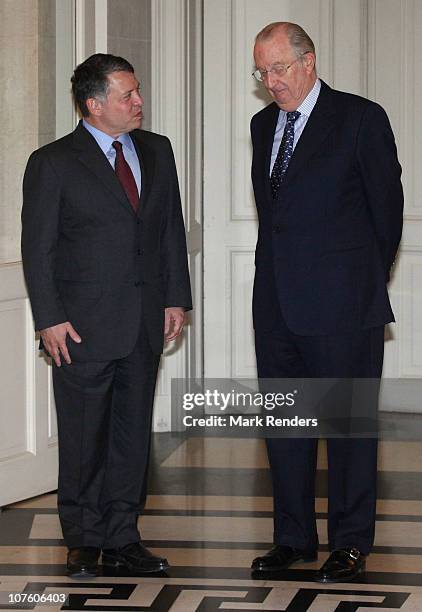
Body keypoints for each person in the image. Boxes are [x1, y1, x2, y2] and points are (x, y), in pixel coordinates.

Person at [21, 54, 192, 578]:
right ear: (93, 105)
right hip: (80, 328)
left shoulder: (158, 151)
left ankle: (123, 535)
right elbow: (40, 248)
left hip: (142, 323)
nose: (138, 102)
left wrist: (175, 299)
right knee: (83, 437)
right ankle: (83, 538)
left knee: (130, 436)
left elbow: (169, 233)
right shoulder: (52, 162)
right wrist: (49, 319)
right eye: (126, 95)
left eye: (137, 91)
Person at [250, 23, 403, 582]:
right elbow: (275, 218)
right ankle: (292, 538)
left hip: (343, 305)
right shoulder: (263, 124)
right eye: (262, 72)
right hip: (276, 307)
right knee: (286, 427)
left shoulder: (361, 118)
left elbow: (387, 211)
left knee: (347, 429)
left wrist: (358, 277)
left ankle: (350, 541)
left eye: (279, 68)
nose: (271, 82)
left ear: (309, 61)